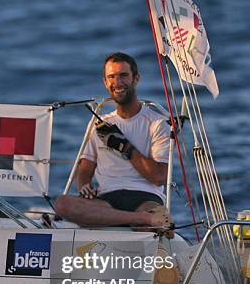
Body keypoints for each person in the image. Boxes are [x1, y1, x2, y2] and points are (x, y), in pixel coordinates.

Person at [55, 52, 172, 230]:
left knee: (156, 215)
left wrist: (125, 148)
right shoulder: (100, 123)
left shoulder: (157, 123)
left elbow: (158, 178)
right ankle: (139, 219)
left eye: (123, 75)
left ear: (136, 78)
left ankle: (131, 219)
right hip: (107, 199)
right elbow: (85, 168)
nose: (117, 82)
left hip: (145, 198)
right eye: (111, 77)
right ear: (105, 82)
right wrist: (84, 186)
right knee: (62, 203)